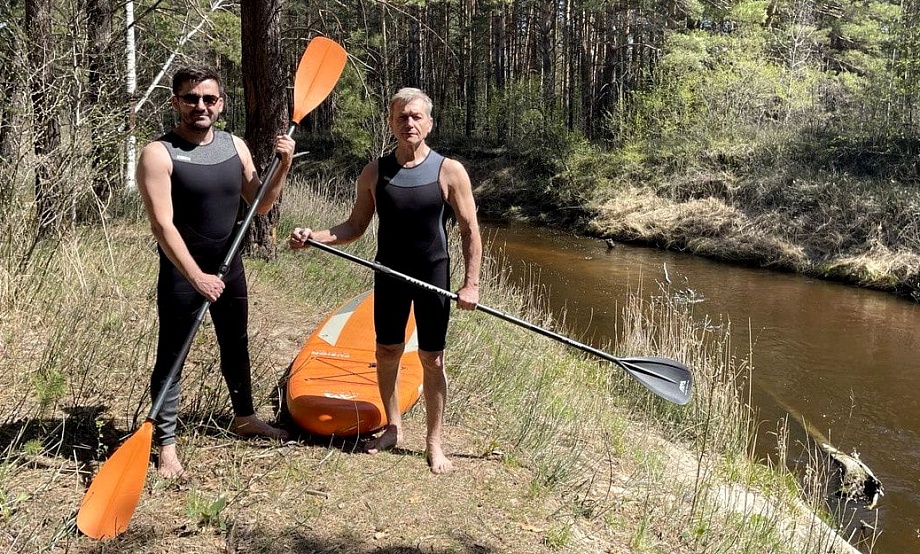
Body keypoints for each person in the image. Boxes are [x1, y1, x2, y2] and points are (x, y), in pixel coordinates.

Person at [289, 87, 482, 474]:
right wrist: (316, 237)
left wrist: (471, 283)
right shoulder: (375, 172)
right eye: (401, 117)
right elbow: (354, 226)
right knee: (387, 352)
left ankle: (434, 442)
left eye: (415, 116)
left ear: (429, 123)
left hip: (433, 276)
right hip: (389, 275)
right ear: (391, 123)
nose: (408, 123)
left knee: (432, 358)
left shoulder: (449, 170)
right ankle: (393, 427)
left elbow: (469, 229)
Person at [136, 66, 294, 478]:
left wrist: (284, 165)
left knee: (235, 342)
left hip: (230, 269)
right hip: (183, 273)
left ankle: (244, 417)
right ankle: (165, 443)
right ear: (176, 102)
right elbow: (162, 226)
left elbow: (261, 204)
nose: (200, 106)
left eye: (209, 98)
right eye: (191, 98)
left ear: (221, 104)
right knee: (173, 354)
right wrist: (196, 276)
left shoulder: (235, 146)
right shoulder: (158, 153)